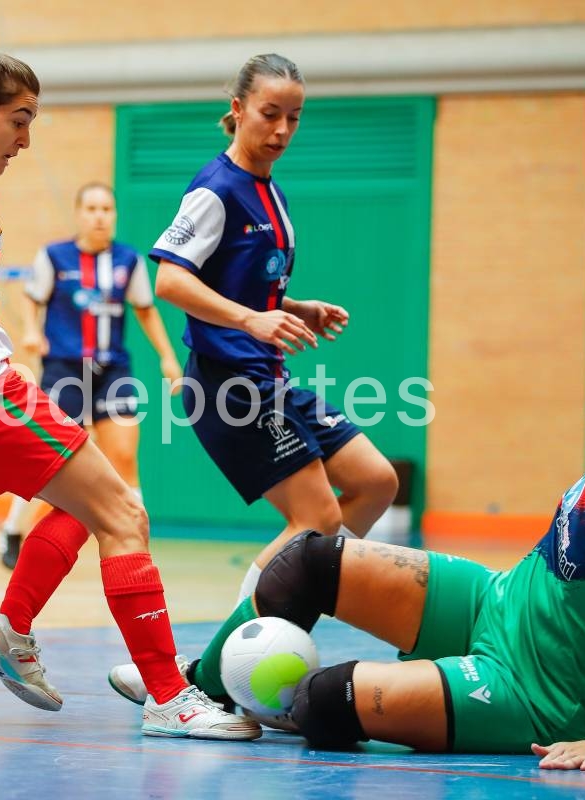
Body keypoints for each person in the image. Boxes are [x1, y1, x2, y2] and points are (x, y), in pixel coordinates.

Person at [111, 278, 585, 769]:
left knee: (321, 700)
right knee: (308, 560)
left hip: (534, 692)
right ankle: (188, 690)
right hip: (491, 603)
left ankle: (429, 695)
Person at [0, 44, 258, 739]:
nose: (26, 137)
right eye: (19, 119)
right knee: (127, 514)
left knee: (86, 507)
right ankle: (169, 697)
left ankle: (13, 627)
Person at [148, 53, 399, 603]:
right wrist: (251, 318)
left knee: (377, 482)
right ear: (237, 110)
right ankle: (228, 654)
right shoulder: (217, 189)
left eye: (294, 116)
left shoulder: (270, 190)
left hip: (270, 377)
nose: (283, 129)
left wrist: (296, 305)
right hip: (227, 383)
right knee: (316, 514)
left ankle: (297, 600)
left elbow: (242, 283)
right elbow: (169, 281)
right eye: (269, 113)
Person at [0, 182, 183, 569]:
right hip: (64, 370)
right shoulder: (55, 257)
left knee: (124, 453)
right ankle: (13, 528)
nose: (100, 216)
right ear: (80, 214)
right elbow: (33, 300)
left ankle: (136, 541)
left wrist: (168, 358)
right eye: (92, 209)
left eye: (107, 210)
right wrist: (31, 330)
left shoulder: (128, 261)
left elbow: (146, 310)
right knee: (49, 460)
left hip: (113, 368)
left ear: (114, 215)